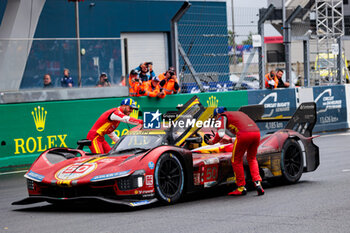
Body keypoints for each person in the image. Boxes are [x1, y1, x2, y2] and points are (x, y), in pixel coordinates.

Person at [208, 107, 264, 196]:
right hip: (256, 133)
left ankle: (241, 187)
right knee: (252, 158)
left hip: (244, 134)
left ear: (217, 115)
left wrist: (213, 142)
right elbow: (246, 130)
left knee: (236, 160)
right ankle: (258, 183)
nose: (215, 121)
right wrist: (230, 141)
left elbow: (221, 133)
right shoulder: (238, 114)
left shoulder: (222, 116)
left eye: (214, 118)